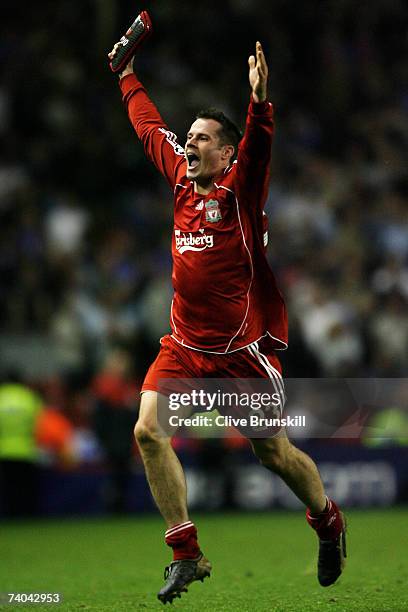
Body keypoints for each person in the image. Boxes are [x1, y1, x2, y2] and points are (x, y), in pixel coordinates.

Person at [108, 39, 347, 604]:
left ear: (226, 153)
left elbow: (260, 148)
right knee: (146, 431)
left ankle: (328, 522)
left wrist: (260, 103)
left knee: (274, 454)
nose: (189, 143)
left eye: (201, 138)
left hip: (240, 356)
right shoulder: (181, 179)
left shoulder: (241, 189)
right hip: (185, 348)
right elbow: (149, 128)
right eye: (188, 137)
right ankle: (186, 553)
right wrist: (126, 77)